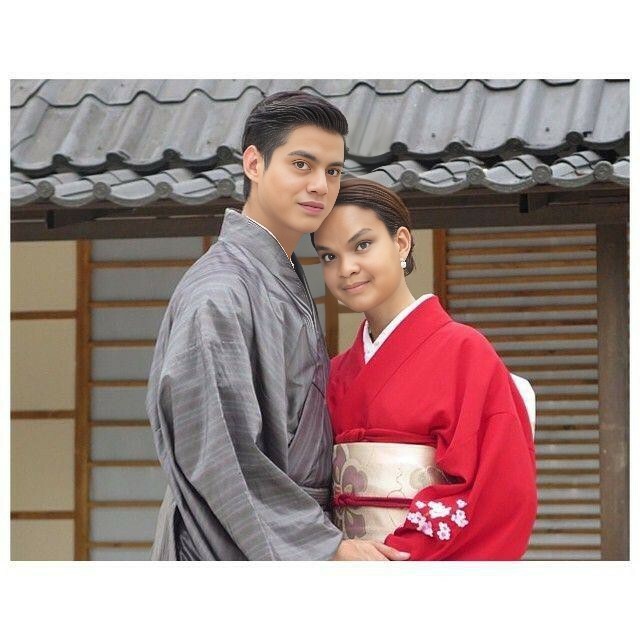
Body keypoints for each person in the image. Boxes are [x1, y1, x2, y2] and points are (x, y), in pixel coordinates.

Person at [147, 92, 409, 561]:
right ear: (254, 163)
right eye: (301, 165)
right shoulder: (220, 293)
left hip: (284, 534)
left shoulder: (278, 272)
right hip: (229, 542)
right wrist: (325, 548)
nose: (320, 186)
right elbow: (220, 454)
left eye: (333, 171)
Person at [312, 178, 538, 560]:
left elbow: (499, 491)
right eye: (329, 256)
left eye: (362, 245)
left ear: (401, 242)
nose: (346, 268)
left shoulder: (467, 353)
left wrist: (398, 558)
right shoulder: (333, 372)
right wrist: (332, 549)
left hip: (424, 565)